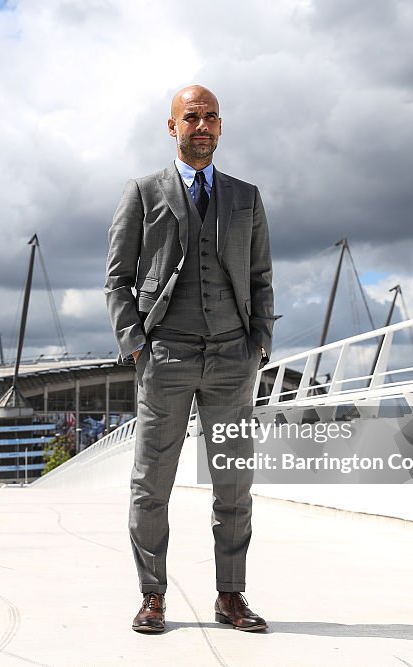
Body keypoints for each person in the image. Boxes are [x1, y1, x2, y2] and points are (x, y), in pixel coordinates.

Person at [104, 85, 275, 633]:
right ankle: (152, 596)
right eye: (192, 117)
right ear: (172, 126)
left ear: (221, 127)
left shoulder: (245, 196)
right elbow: (117, 278)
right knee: (152, 484)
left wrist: (259, 343)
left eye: (211, 117)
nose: (202, 126)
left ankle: (231, 596)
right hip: (166, 356)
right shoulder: (143, 191)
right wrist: (136, 344)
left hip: (232, 358)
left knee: (233, 484)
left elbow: (261, 277)